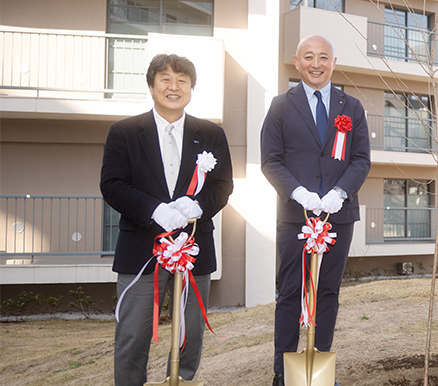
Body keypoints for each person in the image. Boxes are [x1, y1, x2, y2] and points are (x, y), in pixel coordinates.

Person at [101, 53, 234, 386]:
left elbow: (223, 185)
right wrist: (154, 210)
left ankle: (182, 381)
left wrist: (198, 207)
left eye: (182, 81)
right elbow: (112, 184)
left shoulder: (211, 133)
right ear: (151, 85)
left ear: (191, 88)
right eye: (166, 79)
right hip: (140, 248)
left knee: (190, 332)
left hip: (194, 245)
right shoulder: (125, 132)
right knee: (132, 334)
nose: (174, 87)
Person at [260, 35, 371, 386]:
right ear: (297, 62)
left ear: (333, 63)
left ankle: (319, 366)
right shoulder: (281, 105)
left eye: (324, 57)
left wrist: (340, 192)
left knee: (327, 291)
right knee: (291, 291)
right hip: (296, 215)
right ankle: (283, 372)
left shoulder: (351, 106)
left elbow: (361, 159)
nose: (316, 63)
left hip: (338, 215)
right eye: (309, 57)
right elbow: (270, 160)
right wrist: (298, 193)